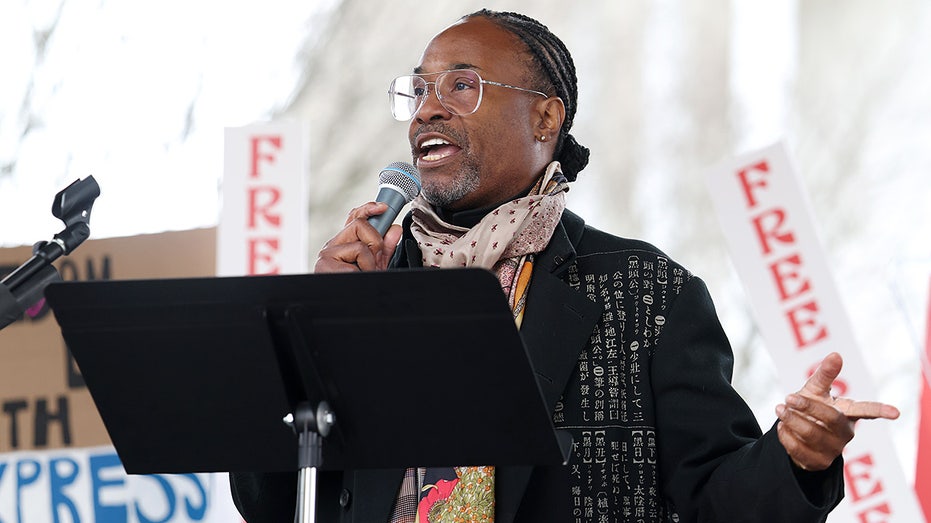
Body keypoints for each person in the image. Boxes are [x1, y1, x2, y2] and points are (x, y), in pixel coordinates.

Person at [230, 9, 900, 523]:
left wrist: (794, 457)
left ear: (545, 117)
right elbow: (270, 501)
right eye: (420, 89)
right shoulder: (367, 285)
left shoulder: (646, 291)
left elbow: (714, 498)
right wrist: (315, 333)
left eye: (461, 85)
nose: (427, 109)